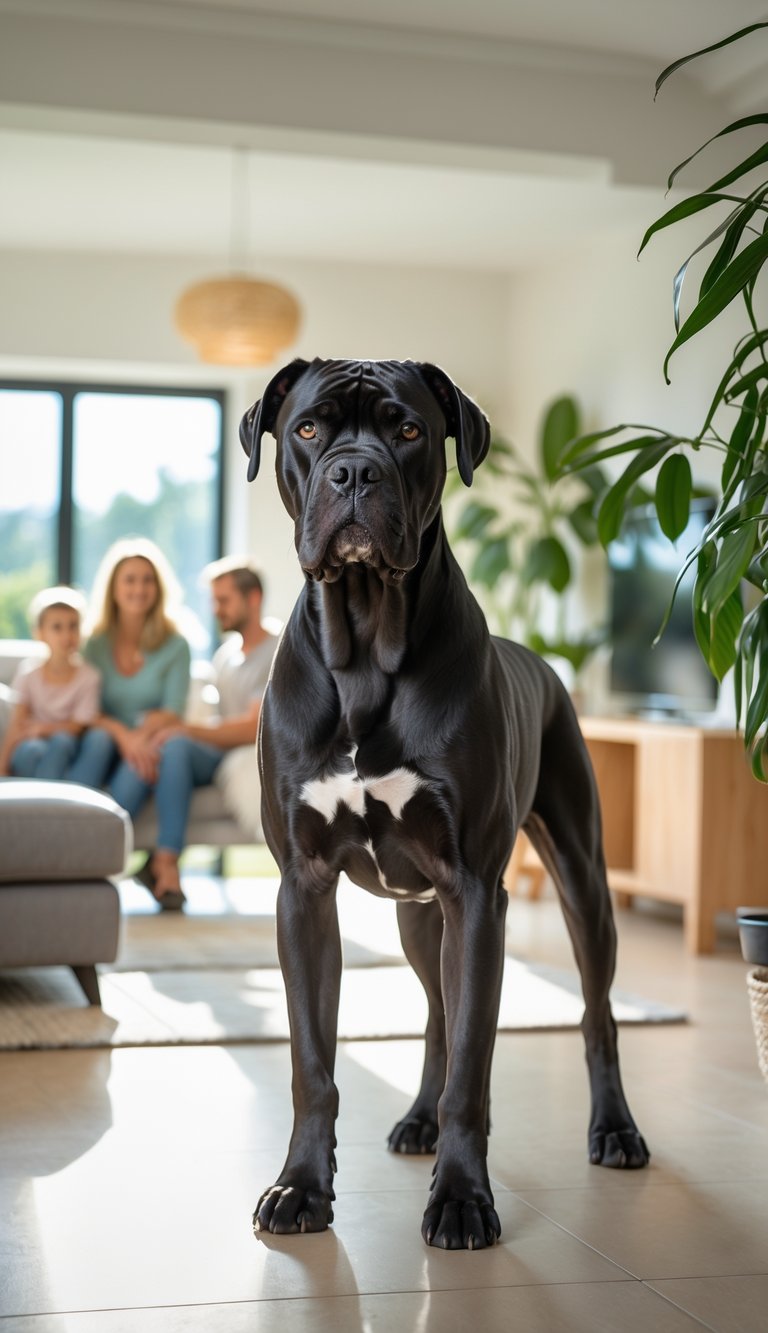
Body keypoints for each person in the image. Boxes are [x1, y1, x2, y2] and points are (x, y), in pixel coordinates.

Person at [143, 557, 279, 907]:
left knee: (177, 743)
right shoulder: (225, 656)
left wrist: (185, 729)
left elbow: (253, 728)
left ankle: (163, 863)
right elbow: (219, 727)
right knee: (173, 747)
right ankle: (162, 863)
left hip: (251, 751)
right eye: (214, 600)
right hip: (220, 753)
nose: (216, 610)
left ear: (253, 599)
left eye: (224, 600)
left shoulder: (278, 650)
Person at [65, 537, 191, 907]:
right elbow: (88, 710)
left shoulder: (175, 644)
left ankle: (95, 860)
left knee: (154, 755)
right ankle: (78, 841)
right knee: (104, 742)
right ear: (114, 588)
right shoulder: (93, 643)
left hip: (146, 747)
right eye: (130, 580)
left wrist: (141, 738)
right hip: (103, 743)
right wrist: (124, 734)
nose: (139, 589)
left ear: (158, 588)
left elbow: (171, 710)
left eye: (147, 580)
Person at [0, 586, 101, 779]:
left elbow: (78, 726)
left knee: (62, 741)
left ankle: (44, 804)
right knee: (31, 750)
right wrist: (2, 765)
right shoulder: (28, 672)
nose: (66, 635)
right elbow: (17, 723)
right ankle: (42, 804)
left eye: (73, 626)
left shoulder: (89, 676)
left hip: (66, 746)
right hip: (33, 745)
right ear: (40, 633)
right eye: (57, 627)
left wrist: (43, 728)